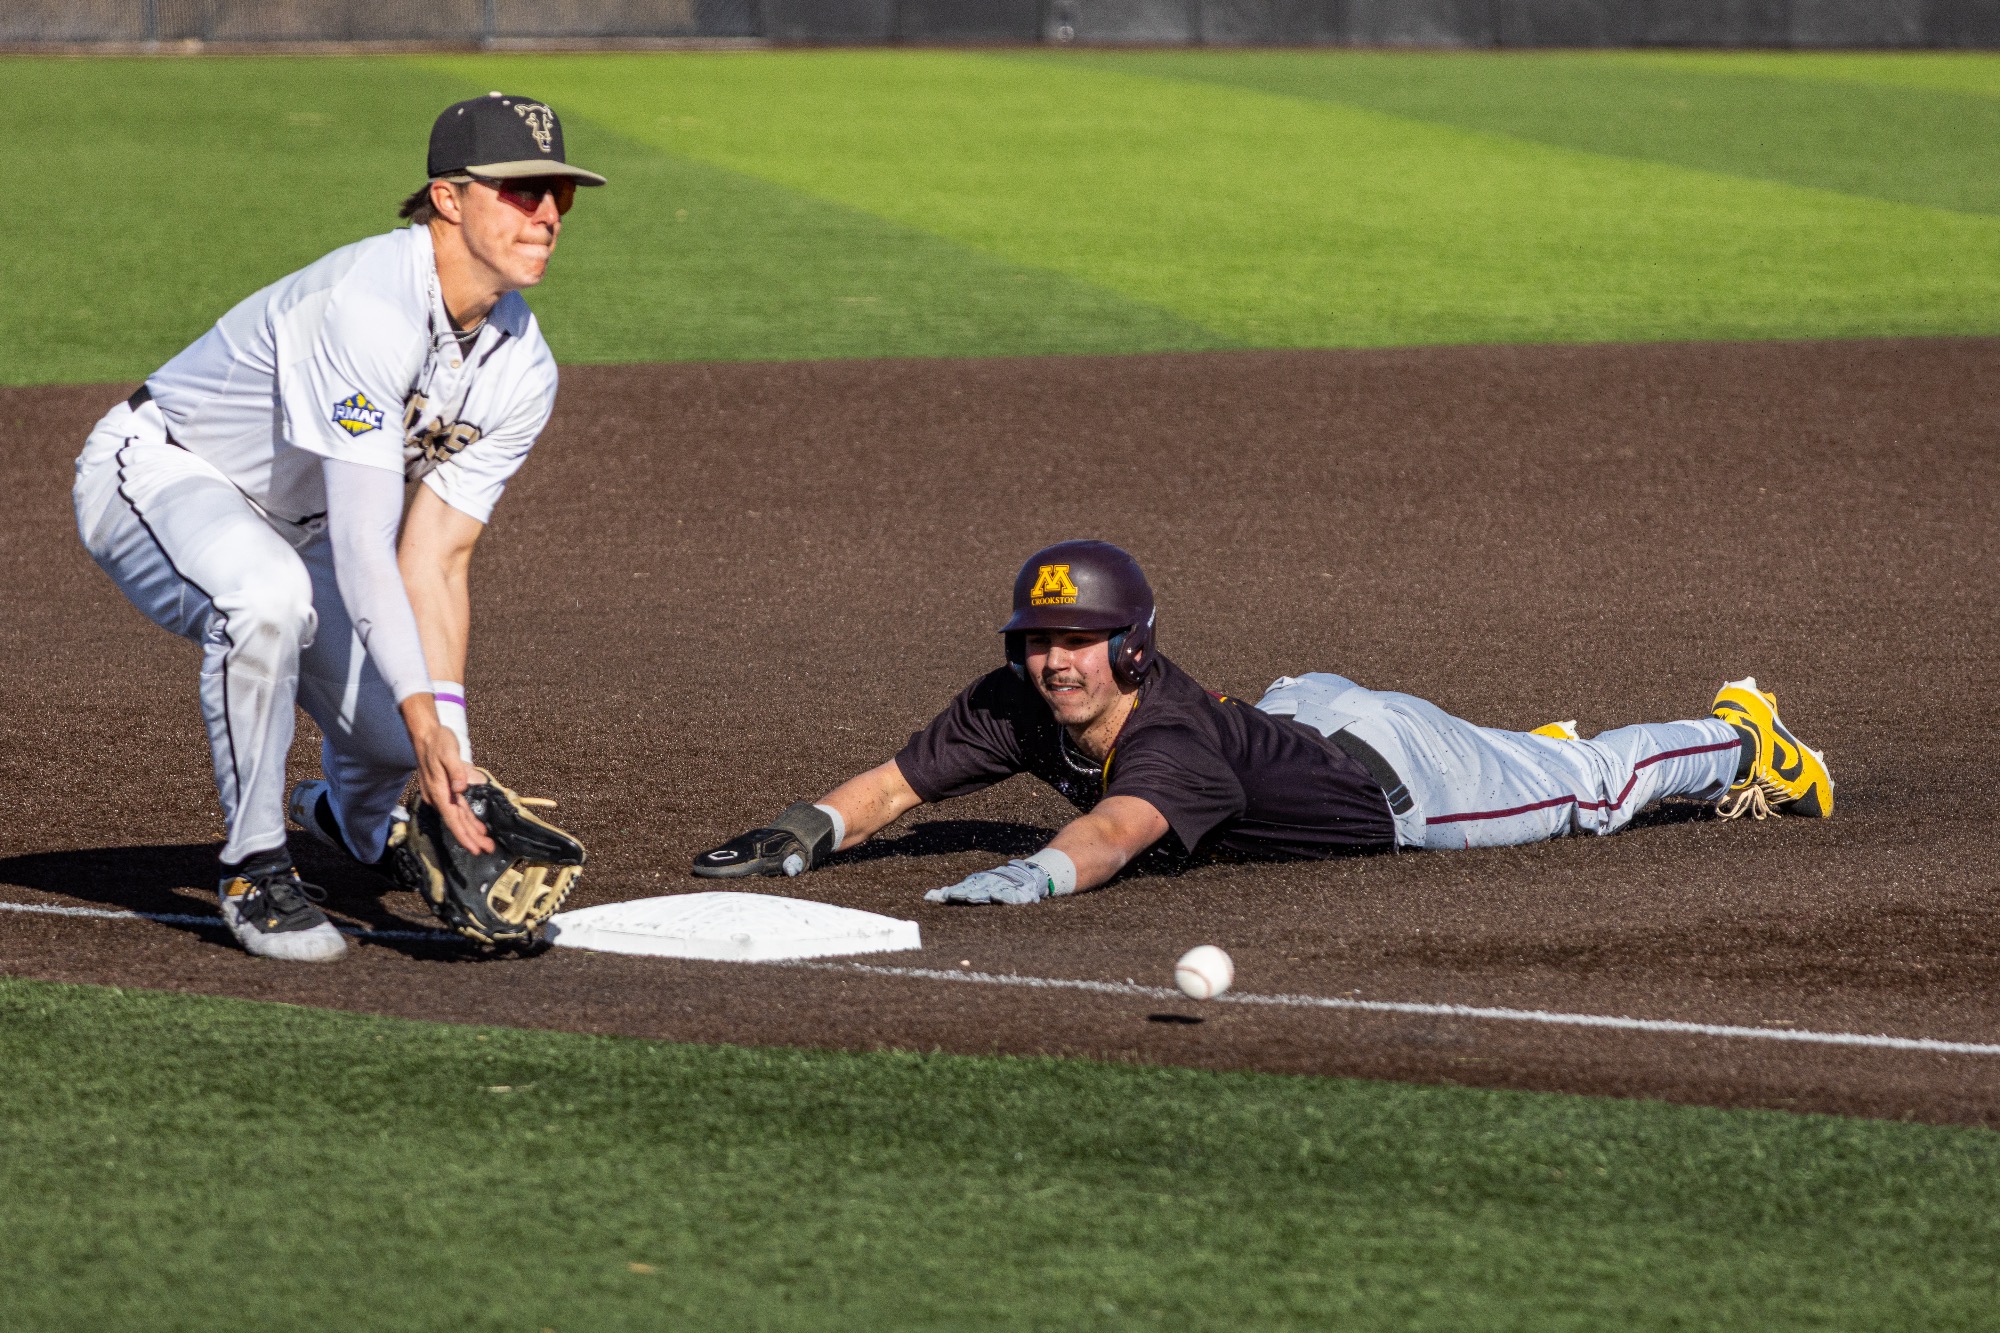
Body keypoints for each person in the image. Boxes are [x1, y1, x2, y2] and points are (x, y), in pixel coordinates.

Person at [72, 93, 604, 960]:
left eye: (560, 193)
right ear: (447, 198)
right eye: (519, 190)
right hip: (164, 472)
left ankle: (357, 827)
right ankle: (253, 869)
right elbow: (363, 544)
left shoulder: (523, 368)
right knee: (268, 600)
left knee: (398, 734)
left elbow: (434, 559)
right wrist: (428, 724)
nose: (546, 213)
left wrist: (449, 749)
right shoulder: (369, 303)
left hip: (301, 526)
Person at [692, 540, 1833, 903]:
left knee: (1586, 792)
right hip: (1301, 712)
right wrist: (803, 828)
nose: (1053, 662)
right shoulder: (1021, 699)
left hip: (1404, 782)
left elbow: (1118, 829)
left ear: (1132, 647)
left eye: (1078, 640)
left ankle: (1746, 737)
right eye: (1036, 640)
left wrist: (1041, 871)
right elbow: (896, 785)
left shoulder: (1168, 742)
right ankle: (1515, 753)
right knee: (1520, 763)